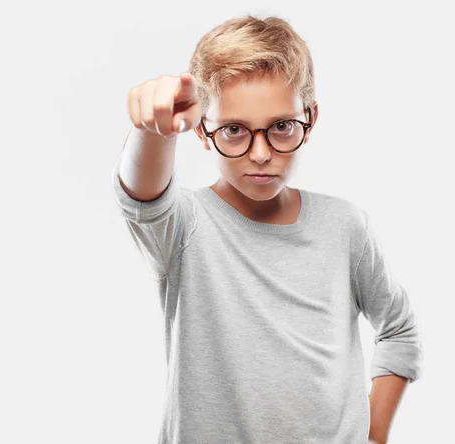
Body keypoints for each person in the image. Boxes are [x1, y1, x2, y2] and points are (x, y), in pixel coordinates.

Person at [111, 14, 423, 444]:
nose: (260, 154)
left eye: (281, 126)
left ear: (309, 120)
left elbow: (398, 329)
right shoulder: (184, 225)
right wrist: (153, 129)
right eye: (235, 130)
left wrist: (375, 435)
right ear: (204, 130)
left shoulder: (346, 226)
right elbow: (142, 197)